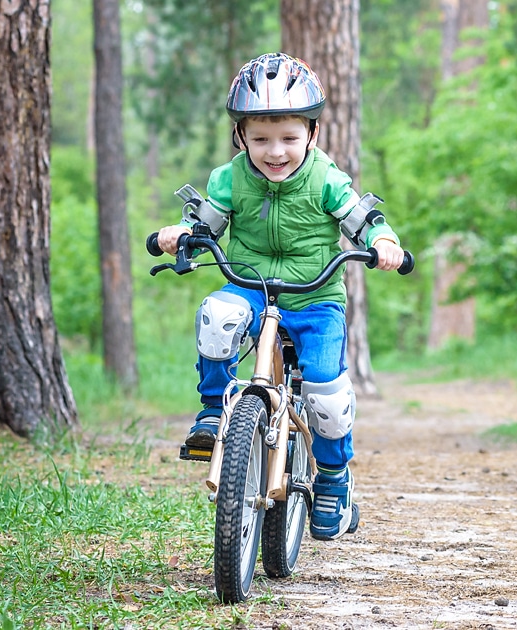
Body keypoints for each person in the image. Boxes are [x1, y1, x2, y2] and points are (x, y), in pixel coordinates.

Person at [155, 53, 405, 540]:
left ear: (311, 134)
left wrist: (384, 243)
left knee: (327, 397)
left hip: (315, 297)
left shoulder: (327, 180)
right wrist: (180, 234)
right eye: (261, 138)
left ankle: (333, 477)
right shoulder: (229, 178)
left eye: (290, 138)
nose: (275, 152)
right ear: (240, 135)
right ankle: (212, 408)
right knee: (216, 316)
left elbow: (363, 220)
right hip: (248, 284)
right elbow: (204, 222)